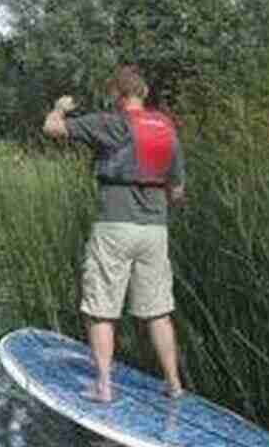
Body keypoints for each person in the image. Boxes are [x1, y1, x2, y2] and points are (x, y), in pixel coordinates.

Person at [43, 64, 186, 402]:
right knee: (158, 312)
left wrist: (60, 108)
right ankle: (174, 385)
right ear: (143, 94)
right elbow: (177, 190)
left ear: (117, 95)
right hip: (155, 230)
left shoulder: (110, 123)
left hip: (114, 227)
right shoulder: (166, 129)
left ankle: (104, 387)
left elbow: (52, 129)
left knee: (101, 308)